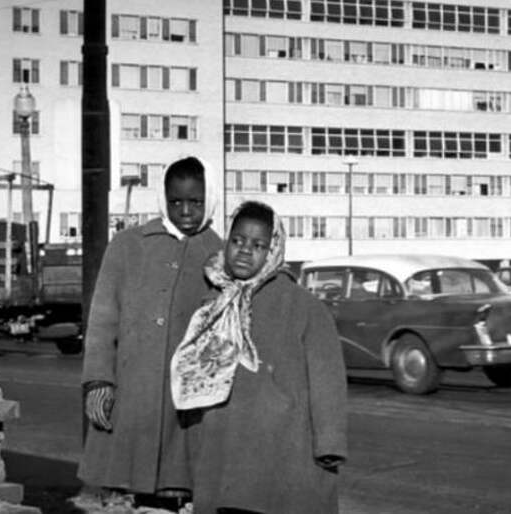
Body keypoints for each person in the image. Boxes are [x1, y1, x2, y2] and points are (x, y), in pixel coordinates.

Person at [171, 201, 347, 514]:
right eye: (237, 241)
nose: (244, 251)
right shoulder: (213, 303)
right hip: (222, 442)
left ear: (273, 250)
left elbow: (328, 382)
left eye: (258, 245)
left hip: (283, 442)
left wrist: (329, 443)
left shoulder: (303, 307)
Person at [78, 155, 223, 510]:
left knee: (180, 486)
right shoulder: (128, 245)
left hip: (187, 401)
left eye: (196, 202)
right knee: (126, 488)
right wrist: (98, 380)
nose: (185, 211)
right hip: (133, 390)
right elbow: (102, 319)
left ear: (210, 200)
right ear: (163, 199)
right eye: (176, 202)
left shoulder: (220, 255)